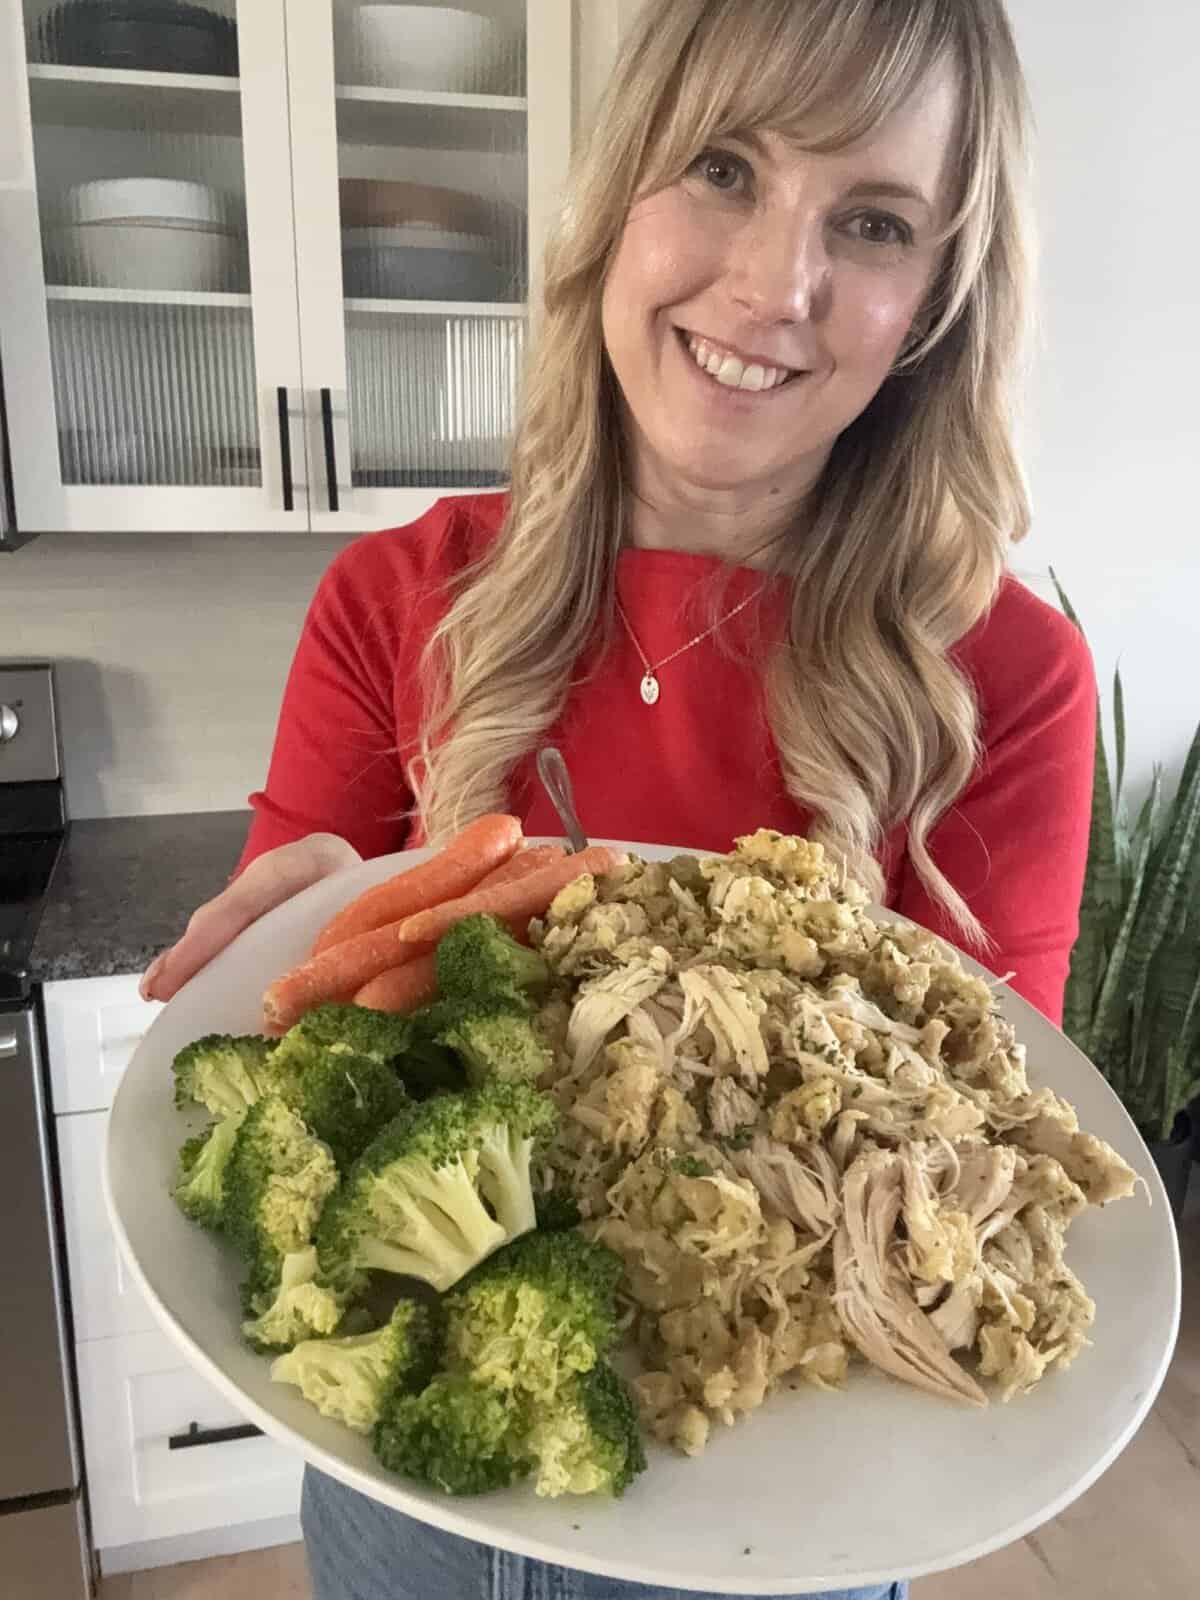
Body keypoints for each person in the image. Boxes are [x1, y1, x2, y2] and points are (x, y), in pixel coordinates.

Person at [141, 2, 1095, 1596]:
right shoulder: (394, 601)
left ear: (937, 298)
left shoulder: (1006, 677)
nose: (773, 287)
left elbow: (970, 1166)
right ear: (614, 202)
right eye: (723, 169)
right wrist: (290, 939)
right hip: (410, 1483)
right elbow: (303, 1103)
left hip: (788, 1508)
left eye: (871, 223)